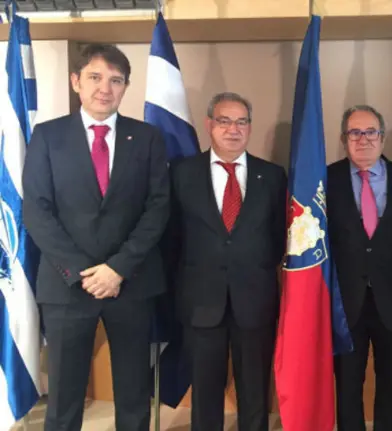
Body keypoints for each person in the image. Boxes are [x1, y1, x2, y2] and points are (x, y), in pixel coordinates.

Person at [22, 43, 169, 431]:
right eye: (95, 77)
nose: (105, 88)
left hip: (131, 283)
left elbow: (158, 209)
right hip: (68, 285)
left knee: (134, 393)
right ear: (76, 82)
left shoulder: (148, 138)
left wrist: (117, 269)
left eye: (116, 80)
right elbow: (37, 211)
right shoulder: (48, 136)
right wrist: (86, 272)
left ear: (125, 87)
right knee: (65, 398)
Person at [167, 92, 286, 431]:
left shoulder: (272, 176)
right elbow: (172, 238)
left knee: (254, 389)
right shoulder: (182, 174)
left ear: (249, 128)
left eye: (241, 122)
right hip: (201, 301)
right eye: (224, 121)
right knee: (205, 389)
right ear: (209, 125)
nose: (233, 129)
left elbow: (279, 237)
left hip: (255, 299)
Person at [327, 105, 392, 431]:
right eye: (355, 132)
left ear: (382, 137)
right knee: (347, 385)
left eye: (370, 132)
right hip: (343, 304)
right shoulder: (326, 179)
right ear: (343, 138)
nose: (363, 139)